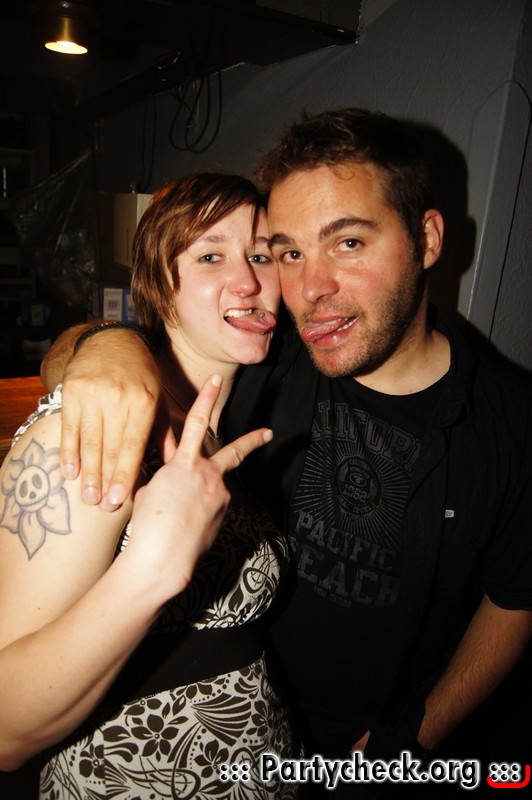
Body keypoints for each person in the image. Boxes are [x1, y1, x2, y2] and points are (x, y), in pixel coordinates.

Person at [40, 110, 532, 797]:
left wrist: (414, 737)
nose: (310, 289)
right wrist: (105, 346)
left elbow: (514, 602)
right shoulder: (269, 357)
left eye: (348, 243)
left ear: (427, 238)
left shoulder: (513, 425)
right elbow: (106, 354)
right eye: (289, 253)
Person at [0, 173, 298, 799]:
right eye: (210, 256)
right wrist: (155, 564)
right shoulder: (97, 429)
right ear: (159, 285)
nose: (247, 281)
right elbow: (4, 730)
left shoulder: (221, 425)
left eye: (262, 255)